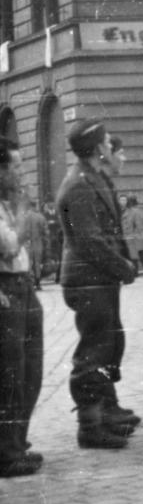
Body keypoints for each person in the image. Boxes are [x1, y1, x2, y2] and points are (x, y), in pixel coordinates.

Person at [56, 117, 139, 449]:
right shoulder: (79, 185)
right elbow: (90, 241)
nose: (110, 146)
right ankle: (90, 427)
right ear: (97, 148)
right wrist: (124, 267)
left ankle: (105, 412)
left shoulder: (93, 178)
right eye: (106, 142)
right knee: (93, 350)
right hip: (87, 280)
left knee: (109, 343)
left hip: (99, 278)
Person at [0, 138, 45, 476]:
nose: (20, 172)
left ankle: (18, 441)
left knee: (30, 368)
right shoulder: (9, 206)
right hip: (6, 290)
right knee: (10, 374)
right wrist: (23, 212)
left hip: (23, 287)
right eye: (15, 166)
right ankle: (6, 451)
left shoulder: (7, 202)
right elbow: (9, 244)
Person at [21, 199, 47, 290]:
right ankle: (38, 283)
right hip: (38, 242)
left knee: (28, 263)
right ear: (35, 206)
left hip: (27, 243)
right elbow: (45, 232)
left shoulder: (25, 216)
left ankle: (29, 284)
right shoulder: (41, 217)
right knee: (37, 263)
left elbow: (22, 231)